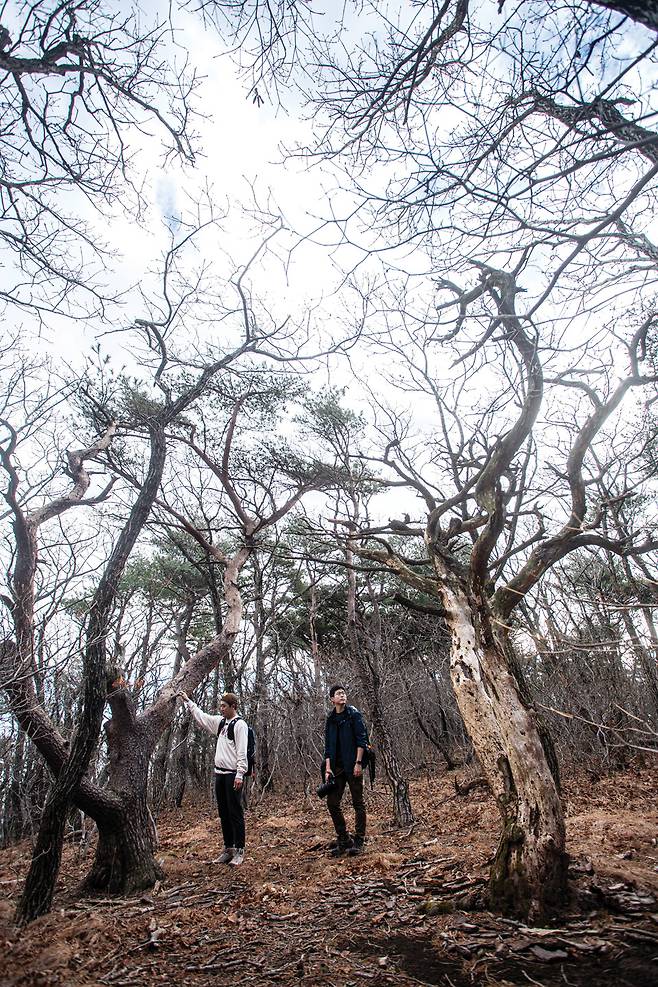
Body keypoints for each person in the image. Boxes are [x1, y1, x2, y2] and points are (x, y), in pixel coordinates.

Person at [178, 690, 248, 866]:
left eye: (224, 706)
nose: (221, 709)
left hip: (233, 774)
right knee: (224, 813)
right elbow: (203, 718)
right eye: (221, 706)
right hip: (220, 774)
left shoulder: (240, 725)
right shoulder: (221, 723)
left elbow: (242, 751)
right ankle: (228, 849)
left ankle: (240, 851)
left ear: (233, 706)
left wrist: (240, 773)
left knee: (235, 813)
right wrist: (188, 702)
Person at [323, 684, 368, 857]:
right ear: (332, 699)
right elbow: (328, 746)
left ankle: (359, 840)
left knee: (358, 802)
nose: (342, 695)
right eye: (338, 694)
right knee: (332, 803)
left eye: (343, 693)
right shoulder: (331, 719)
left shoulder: (354, 715)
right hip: (337, 768)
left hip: (353, 764)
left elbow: (361, 740)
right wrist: (328, 769)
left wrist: (358, 763)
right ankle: (343, 840)